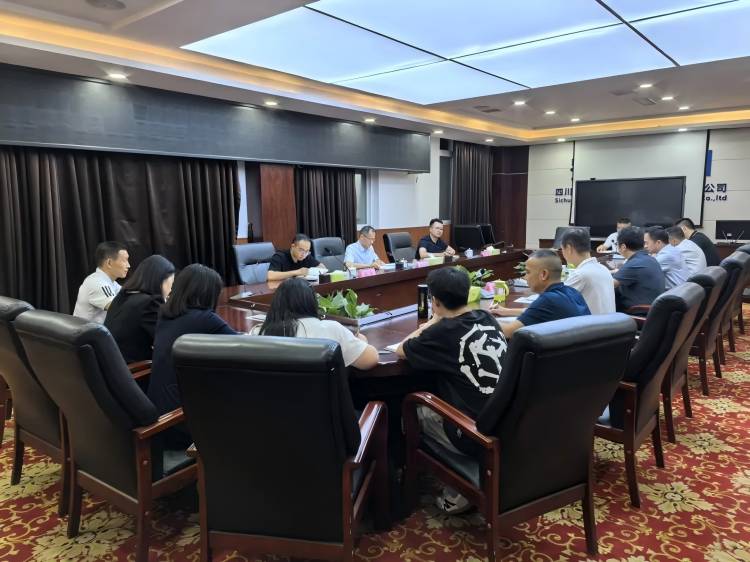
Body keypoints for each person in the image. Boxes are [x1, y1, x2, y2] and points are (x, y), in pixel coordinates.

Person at [396, 267, 508, 514]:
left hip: (474, 434)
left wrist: (433, 321)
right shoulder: (487, 318)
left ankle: (461, 483)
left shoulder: (441, 332)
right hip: (507, 421)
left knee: (412, 410)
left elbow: (401, 349)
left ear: (434, 301)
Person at [148, 264, 237, 448]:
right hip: (183, 423)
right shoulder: (205, 319)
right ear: (207, 293)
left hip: (161, 419)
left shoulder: (165, 315)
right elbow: (245, 347)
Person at [255, 278, 378, 369]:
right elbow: (370, 360)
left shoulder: (257, 332)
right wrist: (361, 339)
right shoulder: (330, 329)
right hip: (321, 398)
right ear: (312, 302)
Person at [490, 250, 590, 338]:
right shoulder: (573, 292)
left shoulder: (548, 300)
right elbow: (537, 311)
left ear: (543, 274)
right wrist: (506, 311)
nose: (525, 277)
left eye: (528, 272)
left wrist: (485, 319)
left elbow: (507, 332)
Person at [104, 255, 176, 363]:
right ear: (160, 281)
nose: (170, 290)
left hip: (112, 364)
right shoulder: (150, 303)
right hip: (135, 369)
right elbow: (166, 341)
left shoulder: (122, 296)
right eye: (170, 285)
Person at [560, 228, 616, 314]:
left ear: (568, 248)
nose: (562, 253)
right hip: (609, 321)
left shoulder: (580, 274)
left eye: (562, 249)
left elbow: (556, 300)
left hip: (591, 322)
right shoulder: (604, 269)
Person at [73, 241, 130, 323]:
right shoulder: (97, 282)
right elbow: (120, 309)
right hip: (87, 331)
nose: (128, 265)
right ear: (109, 263)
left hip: (97, 330)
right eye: (124, 260)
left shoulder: (111, 283)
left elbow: (129, 297)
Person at [612, 226, 665, 311]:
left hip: (637, 312)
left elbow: (609, 285)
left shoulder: (635, 263)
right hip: (653, 309)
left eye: (616, 244)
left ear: (623, 247)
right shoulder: (648, 258)